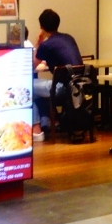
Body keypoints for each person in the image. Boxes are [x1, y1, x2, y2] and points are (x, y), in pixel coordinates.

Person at [31, 9, 84, 142]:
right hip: (80, 85)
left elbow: (32, 66)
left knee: (26, 87)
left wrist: (38, 43)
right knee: (37, 93)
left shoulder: (46, 45)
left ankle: (37, 131)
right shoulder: (69, 38)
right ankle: (46, 123)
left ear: (41, 27)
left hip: (64, 88)